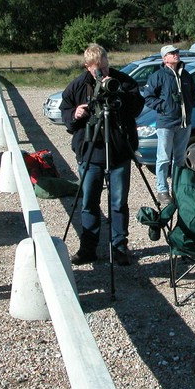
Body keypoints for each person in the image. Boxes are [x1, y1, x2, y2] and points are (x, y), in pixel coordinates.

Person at [60, 44, 145, 266]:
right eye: (98, 70)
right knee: (89, 201)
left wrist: (119, 94)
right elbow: (65, 111)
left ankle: (119, 247)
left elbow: (138, 106)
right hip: (90, 151)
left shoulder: (122, 81)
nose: (103, 73)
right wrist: (74, 113)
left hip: (118, 151)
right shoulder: (78, 86)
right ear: (88, 67)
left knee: (118, 202)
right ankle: (88, 248)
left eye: (106, 68)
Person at [143, 45, 195, 205]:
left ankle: (178, 188)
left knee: (180, 158)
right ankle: (162, 190)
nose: (176, 55)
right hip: (166, 124)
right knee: (163, 158)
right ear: (164, 58)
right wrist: (165, 107)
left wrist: (190, 105)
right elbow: (148, 97)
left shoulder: (186, 75)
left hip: (184, 123)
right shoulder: (158, 76)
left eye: (177, 52)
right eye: (172, 53)